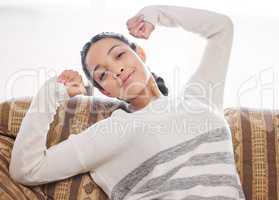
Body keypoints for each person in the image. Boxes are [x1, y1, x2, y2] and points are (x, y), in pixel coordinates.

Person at [9, 4, 246, 200]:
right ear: (106, 91)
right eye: (102, 74)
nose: (117, 70)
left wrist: (155, 14)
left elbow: (222, 28)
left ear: (140, 54)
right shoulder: (114, 130)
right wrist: (53, 92)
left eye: (119, 54)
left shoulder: (200, 96)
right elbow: (27, 169)